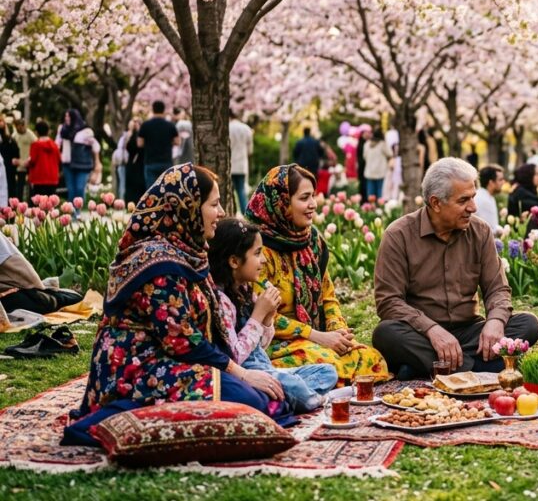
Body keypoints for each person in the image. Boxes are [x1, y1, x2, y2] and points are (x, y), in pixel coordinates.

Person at [62, 164, 293, 447]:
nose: (221, 213)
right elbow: (182, 341)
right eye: (214, 204)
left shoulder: (189, 252)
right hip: (135, 370)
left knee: (263, 398)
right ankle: (115, 418)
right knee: (253, 398)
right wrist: (242, 373)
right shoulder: (158, 262)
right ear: (188, 207)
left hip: (175, 362)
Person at [372, 158, 538, 377]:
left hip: (471, 332)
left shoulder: (480, 231)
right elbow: (388, 302)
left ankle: (429, 367)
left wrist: (495, 322)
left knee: (529, 324)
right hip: (422, 333)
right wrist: (431, 329)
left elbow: (497, 289)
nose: (473, 207)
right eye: (463, 200)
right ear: (435, 203)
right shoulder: (399, 235)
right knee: (386, 333)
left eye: (473, 197)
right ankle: (482, 369)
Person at [247, 165, 388, 384]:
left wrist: (338, 331)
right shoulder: (258, 250)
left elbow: (328, 296)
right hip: (274, 342)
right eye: (304, 198)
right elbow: (266, 314)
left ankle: (334, 382)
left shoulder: (312, 241)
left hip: (319, 338)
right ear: (281, 203)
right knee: (324, 361)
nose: (313, 204)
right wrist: (317, 336)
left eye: (313, 196)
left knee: (371, 358)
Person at [209, 218, 338, 413]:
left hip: (267, 367)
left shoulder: (245, 291)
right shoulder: (222, 301)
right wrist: (258, 316)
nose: (263, 260)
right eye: (257, 253)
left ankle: (292, 397)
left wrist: (268, 318)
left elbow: (261, 346)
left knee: (327, 371)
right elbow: (234, 355)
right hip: (248, 372)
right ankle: (311, 400)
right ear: (234, 261)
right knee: (294, 386)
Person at [62, 111, 101, 204]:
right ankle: (71, 212)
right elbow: (58, 143)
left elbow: (95, 146)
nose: (66, 118)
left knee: (79, 188)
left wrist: (97, 162)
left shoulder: (85, 131)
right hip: (67, 164)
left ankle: (78, 210)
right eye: (65, 116)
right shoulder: (63, 130)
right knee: (71, 190)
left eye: (69, 116)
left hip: (82, 164)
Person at [138, 101, 179, 186]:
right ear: (163, 110)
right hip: (166, 161)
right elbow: (177, 141)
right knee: (168, 189)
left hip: (150, 162)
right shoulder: (170, 125)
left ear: (153, 110)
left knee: (151, 191)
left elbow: (140, 143)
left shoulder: (145, 125)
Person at [27, 122, 60, 197]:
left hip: (38, 179)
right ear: (48, 131)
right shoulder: (55, 146)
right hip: (52, 178)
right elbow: (59, 160)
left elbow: (32, 161)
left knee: (38, 204)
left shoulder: (35, 145)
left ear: (36, 132)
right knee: (51, 204)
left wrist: (26, 162)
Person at [229, 116, 254, 213]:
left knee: (229, 191)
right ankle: (246, 214)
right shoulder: (246, 129)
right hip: (241, 165)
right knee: (241, 190)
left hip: (230, 164)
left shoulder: (227, 128)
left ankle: (232, 211)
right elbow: (250, 151)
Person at [362, 128, 392, 201]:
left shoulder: (367, 144)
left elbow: (364, 157)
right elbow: (390, 154)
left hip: (369, 172)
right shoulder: (382, 144)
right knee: (380, 194)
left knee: (370, 195)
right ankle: (379, 209)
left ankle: (371, 210)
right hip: (381, 173)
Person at [473, 165, 505, 234]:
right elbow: (490, 230)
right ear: (491, 183)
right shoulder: (484, 200)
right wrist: (504, 231)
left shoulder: (485, 195)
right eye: (500, 180)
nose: (503, 182)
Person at [122, 119, 146, 203]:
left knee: (138, 185)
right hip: (133, 163)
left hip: (139, 163)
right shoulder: (129, 135)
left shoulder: (142, 135)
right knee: (132, 185)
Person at [11, 118, 35, 201]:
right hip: (19, 165)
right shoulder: (14, 135)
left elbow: (36, 146)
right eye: (18, 126)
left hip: (29, 164)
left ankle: (31, 204)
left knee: (31, 187)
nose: (20, 128)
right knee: (19, 187)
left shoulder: (30, 135)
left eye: (21, 126)